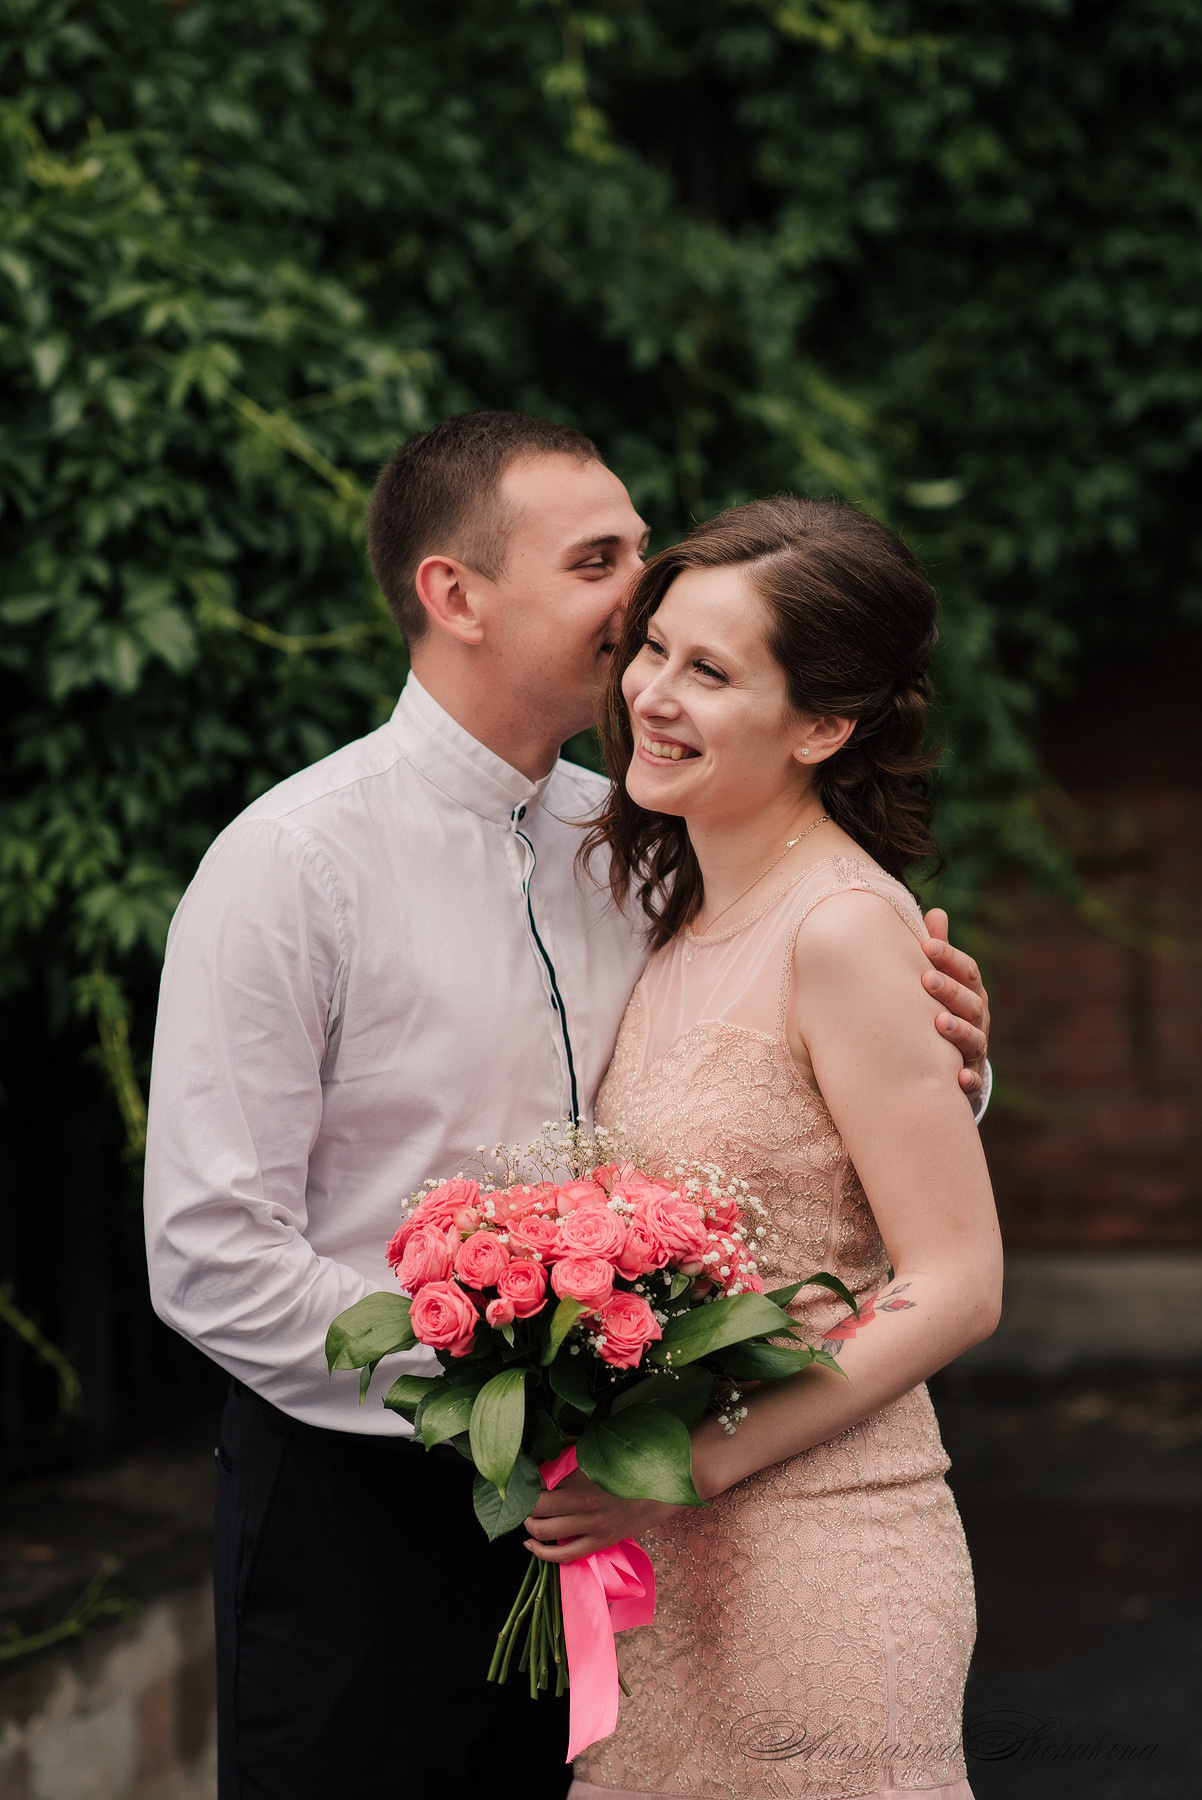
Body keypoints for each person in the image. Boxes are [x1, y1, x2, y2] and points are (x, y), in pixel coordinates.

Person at [143, 416, 992, 1800]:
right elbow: (208, 1254)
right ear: (455, 595)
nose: (641, 604)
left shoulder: (642, 844)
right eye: (602, 565)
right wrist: (501, 1407)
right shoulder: (292, 864)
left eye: (645, 558)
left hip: (642, 1517)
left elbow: (793, 1079)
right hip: (374, 1506)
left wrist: (954, 1056)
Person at [523, 496, 1002, 1800]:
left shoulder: (841, 929)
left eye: (711, 671)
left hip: (819, 1560)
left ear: (822, 727)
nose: (653, 696)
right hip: (668, 1572)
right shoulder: (669, 905)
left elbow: (953, 1283)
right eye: (655, 650)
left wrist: (680, 1463)